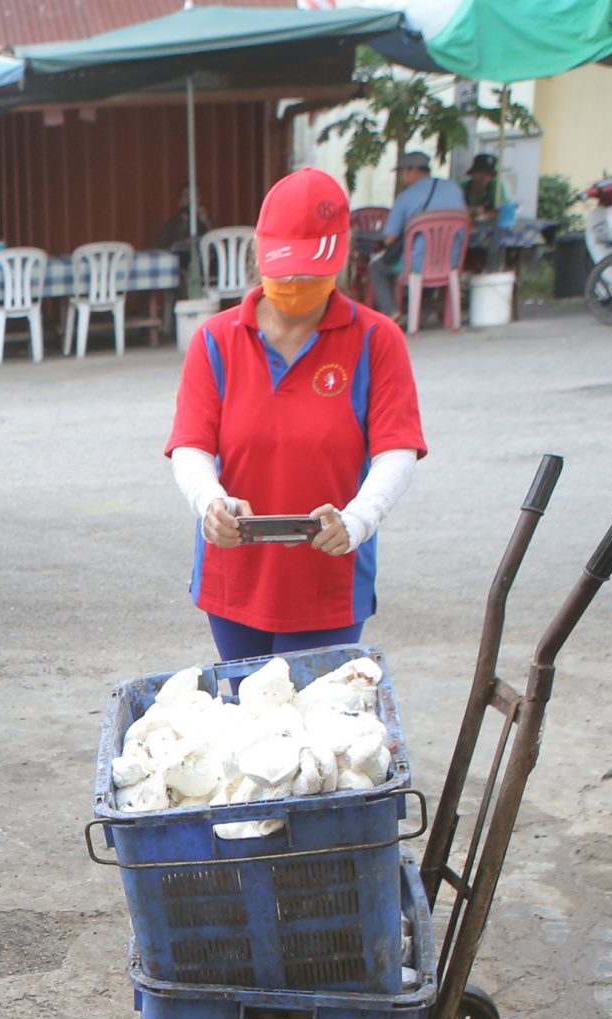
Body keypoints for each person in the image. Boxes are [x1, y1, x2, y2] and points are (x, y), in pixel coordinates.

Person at [166, 169, 427, 662]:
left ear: (341, 259)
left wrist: (358, 520)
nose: (296, 284)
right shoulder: (216, 341)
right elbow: (190, 446)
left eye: (311, 273)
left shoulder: (375, 340)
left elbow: (397, 448)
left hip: (330, 578)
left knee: (315, 726)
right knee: (245, 716)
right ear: (260, 257)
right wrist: (211, 503)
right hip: (235, 577)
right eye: (286, 272)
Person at [369, 150, 467, 318]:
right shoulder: (453, 188)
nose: (400, 177)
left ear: (411, 170)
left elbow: (389, 239)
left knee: (377, 268)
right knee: (424, 266)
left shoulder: (405, 197)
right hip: (452, 260)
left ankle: (392, 311)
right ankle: (422, 314)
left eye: (401, 172)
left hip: (416, 263)